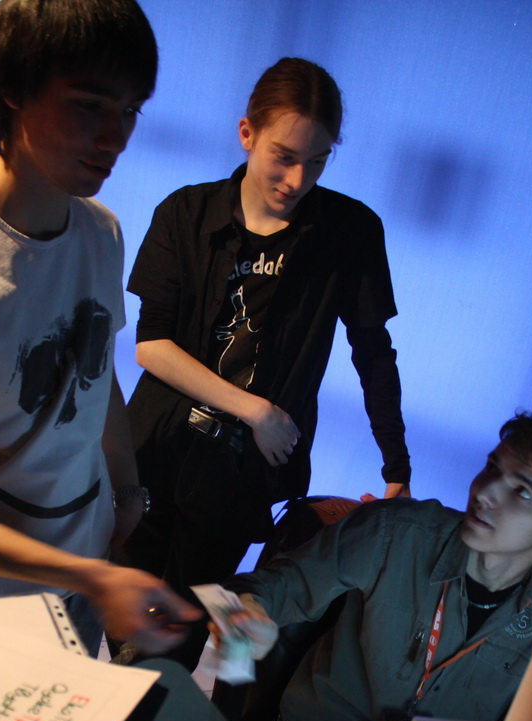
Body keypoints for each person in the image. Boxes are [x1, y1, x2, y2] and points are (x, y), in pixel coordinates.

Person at [0, 0, 199, 657]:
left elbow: (95, 374)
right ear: (13, 90)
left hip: (86, 563)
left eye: (130, 110)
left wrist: (127, 489)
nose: (115, 136)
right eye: (88, 105)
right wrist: (93, 576)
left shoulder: (101, 231)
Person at [119, 56, 411, 661]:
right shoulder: (186, 213)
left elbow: (373, 353)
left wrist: (396, 465)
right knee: (127, 607)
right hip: (156, 447)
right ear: (246, 133)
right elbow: (152, 346)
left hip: (240, 471)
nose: (297, 179)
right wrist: (257, 411)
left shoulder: (349, 231)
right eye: (284, 156)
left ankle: (178, 708)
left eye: (318, 161)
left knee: (193, 623)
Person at [222, 408, 532, 721]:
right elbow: (249, 592)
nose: (486, 492)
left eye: (522, 492)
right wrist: (243, 623)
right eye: (492, 467)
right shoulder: (395, 531)